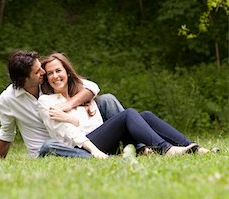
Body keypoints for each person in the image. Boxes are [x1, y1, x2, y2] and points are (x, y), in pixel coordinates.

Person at [38, 53, 212, 158]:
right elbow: (69, 132)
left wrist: (70, 110)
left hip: (103, 138)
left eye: (58, 71)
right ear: (46, 79)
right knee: (128, 114)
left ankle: (194, 147)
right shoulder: (47, 101)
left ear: (67, 72)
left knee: (146, 115)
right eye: (50, 74)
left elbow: (93, 87)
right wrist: (74, 120)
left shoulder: (80, 89)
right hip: (83, 145)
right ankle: (166, 149)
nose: (55, 76)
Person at [0, 50, 124, 158]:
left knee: (107, 100)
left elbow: (92, 87)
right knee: (49, 145)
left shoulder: (48, 83)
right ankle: (100, 156)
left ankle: (138, 147)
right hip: (54, 148)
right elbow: (6, 133)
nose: (44, 73)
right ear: (24, 79)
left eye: (41, 68)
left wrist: (69, 105)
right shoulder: (8, 99)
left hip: (73, 137)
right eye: (37, 71)